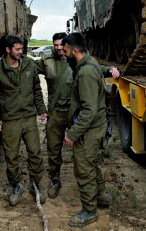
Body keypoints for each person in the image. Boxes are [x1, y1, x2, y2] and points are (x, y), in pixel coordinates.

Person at [37, 32, 119, 199]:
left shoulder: (77, 61)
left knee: (84, 154)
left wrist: (110, 70)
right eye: (56, 45)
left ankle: (91, 187)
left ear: (69, 47)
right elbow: (28, 69)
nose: (60, 48)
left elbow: (95, 69)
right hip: (57, 112)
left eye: (62, 45)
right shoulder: (47, 61)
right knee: (53, 149)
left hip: (75, 114)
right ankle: (54, 179)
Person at [0, 35, 48, 206]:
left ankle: (35, 183)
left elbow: (36, 88)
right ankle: (16, 185)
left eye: (22, 49)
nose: (21, 52)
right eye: (17, 49)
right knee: (11, 156)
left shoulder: (29, 64)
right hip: (10, 118)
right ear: (8, 50)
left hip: (28, 116)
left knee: (35, 152)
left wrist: (41, 109)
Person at [62, 32, 111, 228]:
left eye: (66, 51)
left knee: (83, 169)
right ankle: (102, 194)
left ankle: (89, 211)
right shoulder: (91, 63)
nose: (64, 54)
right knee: (90, 162)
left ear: (75, 51)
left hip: (89, 129)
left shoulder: (85, 73)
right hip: (95, 126)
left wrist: (72, 134)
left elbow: (89, 110)